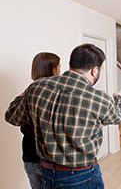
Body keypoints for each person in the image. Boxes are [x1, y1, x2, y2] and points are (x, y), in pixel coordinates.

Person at [5, 43, 121, 188]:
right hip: (81, 175)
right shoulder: (98, 98)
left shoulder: (36, 87)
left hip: (47, 172)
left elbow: (12, 117)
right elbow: (120, 117)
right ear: (94, 70)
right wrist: (119, 99)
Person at [21, 52, 61, 189]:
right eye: (59, 67)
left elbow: (15, 118)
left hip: (29, 157)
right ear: (54, 70)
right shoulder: (58, 95)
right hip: (49, 161)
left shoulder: (27, 93)